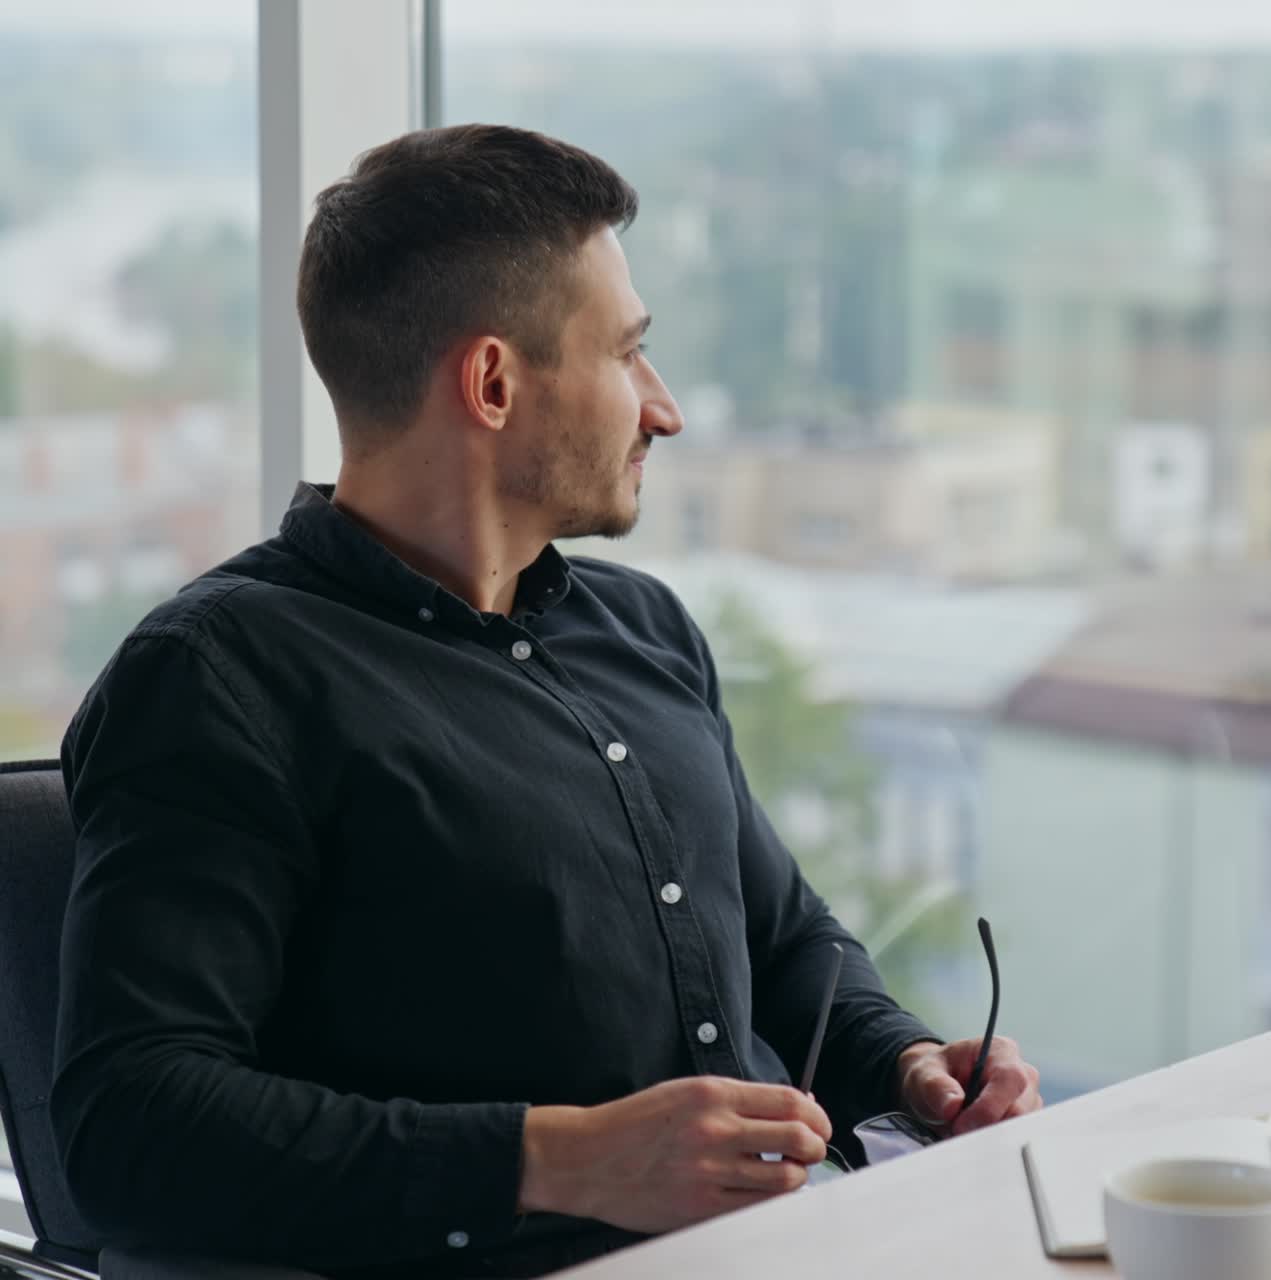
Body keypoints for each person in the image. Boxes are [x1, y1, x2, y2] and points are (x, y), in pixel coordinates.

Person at [51, 125, 1041, 1280]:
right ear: (491, 382)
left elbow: (782, 940)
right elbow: (131, 1124)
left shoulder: (643, 627)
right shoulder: (219, 675)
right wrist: (562, 1158)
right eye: (627, 354)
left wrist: (908, 1060)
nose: (660, 409)